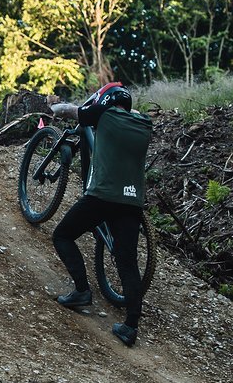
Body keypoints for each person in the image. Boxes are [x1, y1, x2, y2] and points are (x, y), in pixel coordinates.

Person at [46, 82, 153, 347]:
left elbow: (74, 111)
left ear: (105, 100)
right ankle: (130, 326)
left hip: (102, 197)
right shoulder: (145, 124)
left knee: (62, 235)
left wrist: (54, 107)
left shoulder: (102, 114)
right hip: (132, 202)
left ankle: (82, 290)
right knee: (127, 262)